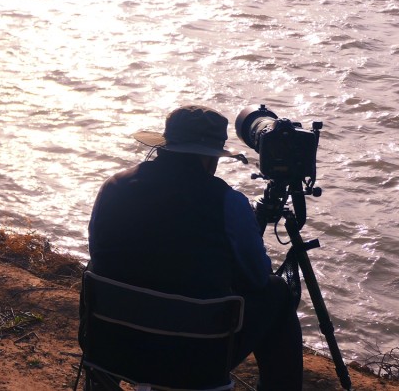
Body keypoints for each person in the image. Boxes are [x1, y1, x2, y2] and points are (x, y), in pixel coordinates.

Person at [84, 105, 303, 390]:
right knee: (278, 293)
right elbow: (257, 277)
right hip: (195, 361)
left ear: (165, 145)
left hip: (112, 347)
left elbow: (99, 254)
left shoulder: (114, 186)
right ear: (209, 158)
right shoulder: (228, 202)